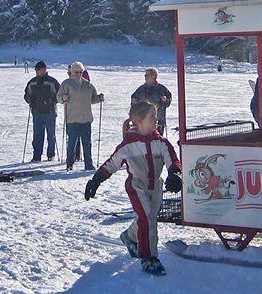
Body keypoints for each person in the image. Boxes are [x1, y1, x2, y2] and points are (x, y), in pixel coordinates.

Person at [83, 102, 181, 277]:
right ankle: (149, 258)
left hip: (156, 187)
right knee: (147, 218)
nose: (156, 119)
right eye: (152, 116)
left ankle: (130, 236)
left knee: (148, 217)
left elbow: (172, 160)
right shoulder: (128, 145)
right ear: (139, 121)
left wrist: (175, 175)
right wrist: (96, 180)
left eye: (156, 115)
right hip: (137, 186)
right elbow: (111, 164)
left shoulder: (161, 142)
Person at [58, 61, 105, 171]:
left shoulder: (88, 85)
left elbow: (92, 99)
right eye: (76, 72)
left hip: (86, 119)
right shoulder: (66, 83)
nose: (78, 74)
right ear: (72, 72)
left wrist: (99, 98)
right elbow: (58, 97)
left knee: (87, 144)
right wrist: (63, 98)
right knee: (71, 144)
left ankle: (88, 164)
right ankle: (69, 164)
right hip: (72, 119)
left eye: (80, 72)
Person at [24, 60, 60, 161]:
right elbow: (26, 95)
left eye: (38, 69)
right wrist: (29, 99)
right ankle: (37, 156)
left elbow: (59, 95)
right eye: (36, 69)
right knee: (37, 136)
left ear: (44, 69)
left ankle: (51, 155)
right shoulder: (32, 82)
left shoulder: (52, 81)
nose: (36, 71)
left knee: (51, 135)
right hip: (37, 112)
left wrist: (51, 100)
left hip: (50, 112)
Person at [130, 67, 172, 134]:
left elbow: (168, 102)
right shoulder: (141, 89)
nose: (145, 77)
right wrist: (133, 101)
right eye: (145, 75)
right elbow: (133, 99)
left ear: (153, 76)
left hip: (157, 120)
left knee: (156, 140)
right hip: (142, 120)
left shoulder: (161, 89)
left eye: (147, 75)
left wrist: (165, 100)